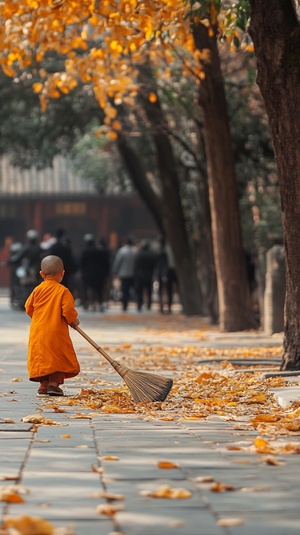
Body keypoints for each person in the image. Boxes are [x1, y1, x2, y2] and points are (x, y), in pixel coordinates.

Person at [25, 255, 80, 397]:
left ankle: (43, 385)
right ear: (62, 273)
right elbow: (68, 311)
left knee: (42, 356)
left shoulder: (37, 290)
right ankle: (53, 385)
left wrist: (40, 317)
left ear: (42, 274)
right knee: (57, 356)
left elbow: (28, 307)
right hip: (55, 331)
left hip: (38, 330)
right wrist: (73, 320)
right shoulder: (63, 291)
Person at [79, 234, 106, 311]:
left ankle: (87, 303)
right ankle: (100, 303)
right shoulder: (99, 250)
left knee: (87, 288)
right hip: (98, 274)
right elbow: (103, 262)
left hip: (87, 274)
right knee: (98, 289)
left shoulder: (84, 251)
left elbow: (81, 263)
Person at [112, 237, 138, 311]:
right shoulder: (135, 251)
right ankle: (136, 303)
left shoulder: (122, 251)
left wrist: (115, 271)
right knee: (133, 289)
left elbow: (118, 262)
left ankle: (125, 304)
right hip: (133, 273)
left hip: (123, 274)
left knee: (124, 290)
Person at [48, 228, 76, 293]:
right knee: (64, 287)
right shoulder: (66, 247)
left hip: (54, 270)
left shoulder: (53, 247)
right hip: (65, 271)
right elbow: (70, 259)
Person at [134, 240, 157, 311]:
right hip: (149, 275)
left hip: (140, 275)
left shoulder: (139, 254)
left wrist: (135, 274)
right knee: (149, 291)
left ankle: (139, 304)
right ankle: (149, 304)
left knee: (139, 291)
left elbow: (136, 265)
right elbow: (154, 265)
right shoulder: (152, 254)